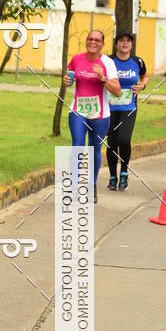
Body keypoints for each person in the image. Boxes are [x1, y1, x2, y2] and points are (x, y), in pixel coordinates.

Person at [63, 30, 121, 203]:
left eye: (97, 40)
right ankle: (74, 186)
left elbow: (117, 91)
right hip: (78, 110)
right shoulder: (77, 59)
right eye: (90, 39)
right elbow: (69, 78)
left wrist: (103, 78)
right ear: (86, 41)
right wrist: (66, 81)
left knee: (94, 149)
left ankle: (91, 185)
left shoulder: (108, 63)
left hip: (100, 113)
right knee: (77, 145)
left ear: (102, 44)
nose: (93, 42)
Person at [106, 31, 149, 191]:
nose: (125, 43)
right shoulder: (108, 61)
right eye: (121, 40)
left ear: (132, 44)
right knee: (111, 142)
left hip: (129, 108)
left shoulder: (138, 61)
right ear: (116, 43)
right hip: (109, 108)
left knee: (124, 139)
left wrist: (142, 85)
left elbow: (145, 76)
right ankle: (112, 176)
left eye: (128, 41)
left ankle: (124, 172)